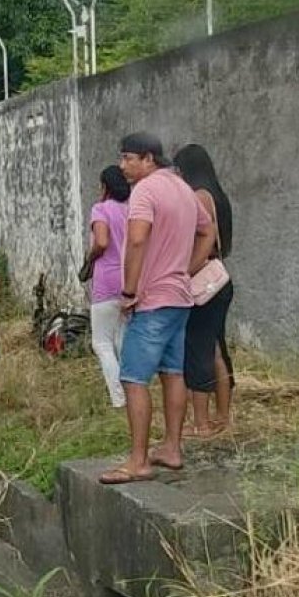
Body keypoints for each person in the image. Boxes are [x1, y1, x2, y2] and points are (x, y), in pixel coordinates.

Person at [100, 133, 216, 485]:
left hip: (152, 299)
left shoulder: (145, 191)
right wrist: (186, 268)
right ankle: (172, 448)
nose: (123, 166)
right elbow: (207, 230)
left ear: (148, 159)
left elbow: (136, 239)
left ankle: (138, 461)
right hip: (179, 297)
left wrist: (130, 290)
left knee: (133, 377)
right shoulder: (182, 187)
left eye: (127, 158)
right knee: (172, 373)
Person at [175, 144, 236, 438]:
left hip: (202, 282)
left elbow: (204, 240)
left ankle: (200, 422)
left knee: (199, 349)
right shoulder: (218, 196)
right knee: (216, 349)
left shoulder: (198, 196)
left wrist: (184, 271)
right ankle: (223, 416)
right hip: (219, 282)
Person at [80, 166, 132, 409]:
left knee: (101, 342)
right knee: (122, 338)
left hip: (106, 281)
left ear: (105, 187)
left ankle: (118, 397)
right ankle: (132, 388)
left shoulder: (100, 209)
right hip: (129, 279)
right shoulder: (132, 210)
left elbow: (101, 241)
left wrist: (90, 258)